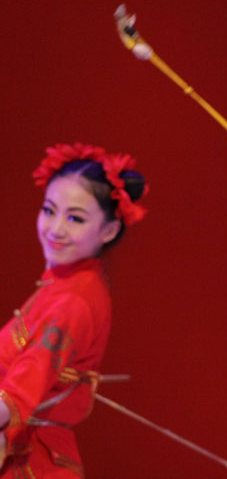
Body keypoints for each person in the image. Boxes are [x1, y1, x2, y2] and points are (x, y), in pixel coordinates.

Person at [0, 142, 147, 477]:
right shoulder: (65, 284)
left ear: (109, 230)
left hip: (30, 462)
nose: (56, 229)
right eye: (49, 210)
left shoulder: (74, 301)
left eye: (75, 218)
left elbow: (24, 385)